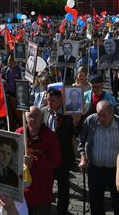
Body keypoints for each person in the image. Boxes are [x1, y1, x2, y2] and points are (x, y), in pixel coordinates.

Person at [78, 100, 119, 215]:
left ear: (112, 114)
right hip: (95, 168)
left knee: (118, 202)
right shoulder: (91, 120)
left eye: (104, 115)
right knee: (95, 202)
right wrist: (83, 158)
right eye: (98, 114)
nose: (100, 118)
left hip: (116, 170)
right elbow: (81, 140)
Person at [41, 87, 80, 215]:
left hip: (63, 155)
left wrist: (76, 122)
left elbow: (76, 133)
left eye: (51, 100)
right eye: (47, 100)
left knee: (63, 185)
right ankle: (45, 205)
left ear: (60, 100)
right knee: (47, 183)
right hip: (47, 156)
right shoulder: (44, 112)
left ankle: (62, 209)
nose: (49, 103)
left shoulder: (69, 114)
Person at [15, 106, 61, 214]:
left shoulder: (50, 136)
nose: (33, 119)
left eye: (36, 116)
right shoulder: (19, 133)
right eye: (30, 116)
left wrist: (35, 161)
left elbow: (56, 161)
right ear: (26, 118)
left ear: (41, 118)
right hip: (24, 188)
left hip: (42, 187)